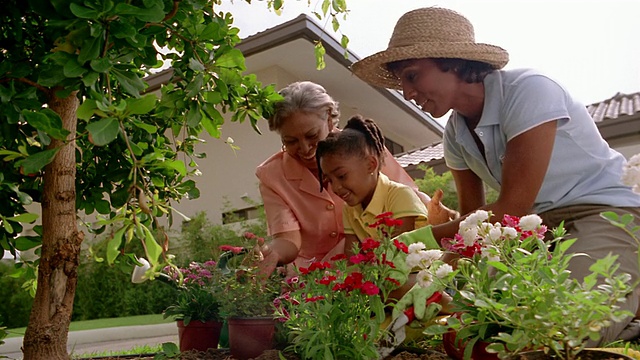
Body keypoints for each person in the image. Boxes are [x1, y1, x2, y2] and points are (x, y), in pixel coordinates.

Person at [351, 6, 640, 344]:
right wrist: (438, 281)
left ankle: (629, 296)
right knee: (482, 322)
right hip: (540, 230)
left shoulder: (528, 90)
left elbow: (513, 207)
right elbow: (476, 229)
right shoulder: (455, 135)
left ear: (453, 62)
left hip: (606, 213)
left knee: (563, 325)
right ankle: (624, 304)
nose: (407, 92)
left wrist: (420, 241)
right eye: (402, 82)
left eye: (412, 76)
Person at [255, 81, 455, 277]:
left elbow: (407, 200)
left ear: (329, 121)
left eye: (312, 135)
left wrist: (438, 217)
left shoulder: (362, 148)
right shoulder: (272, 175)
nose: (305, 148)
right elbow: (288, 238)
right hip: (316, 275)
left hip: (383, 265)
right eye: (290, 141)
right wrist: (271, 253)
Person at [315, 114, 432, 256]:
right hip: (383, 273)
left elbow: (398, 253)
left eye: (341, 176)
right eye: (329, 180)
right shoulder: (350, 209)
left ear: (371, 165)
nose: (335, 187)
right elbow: (353, 256)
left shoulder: (400, 195)